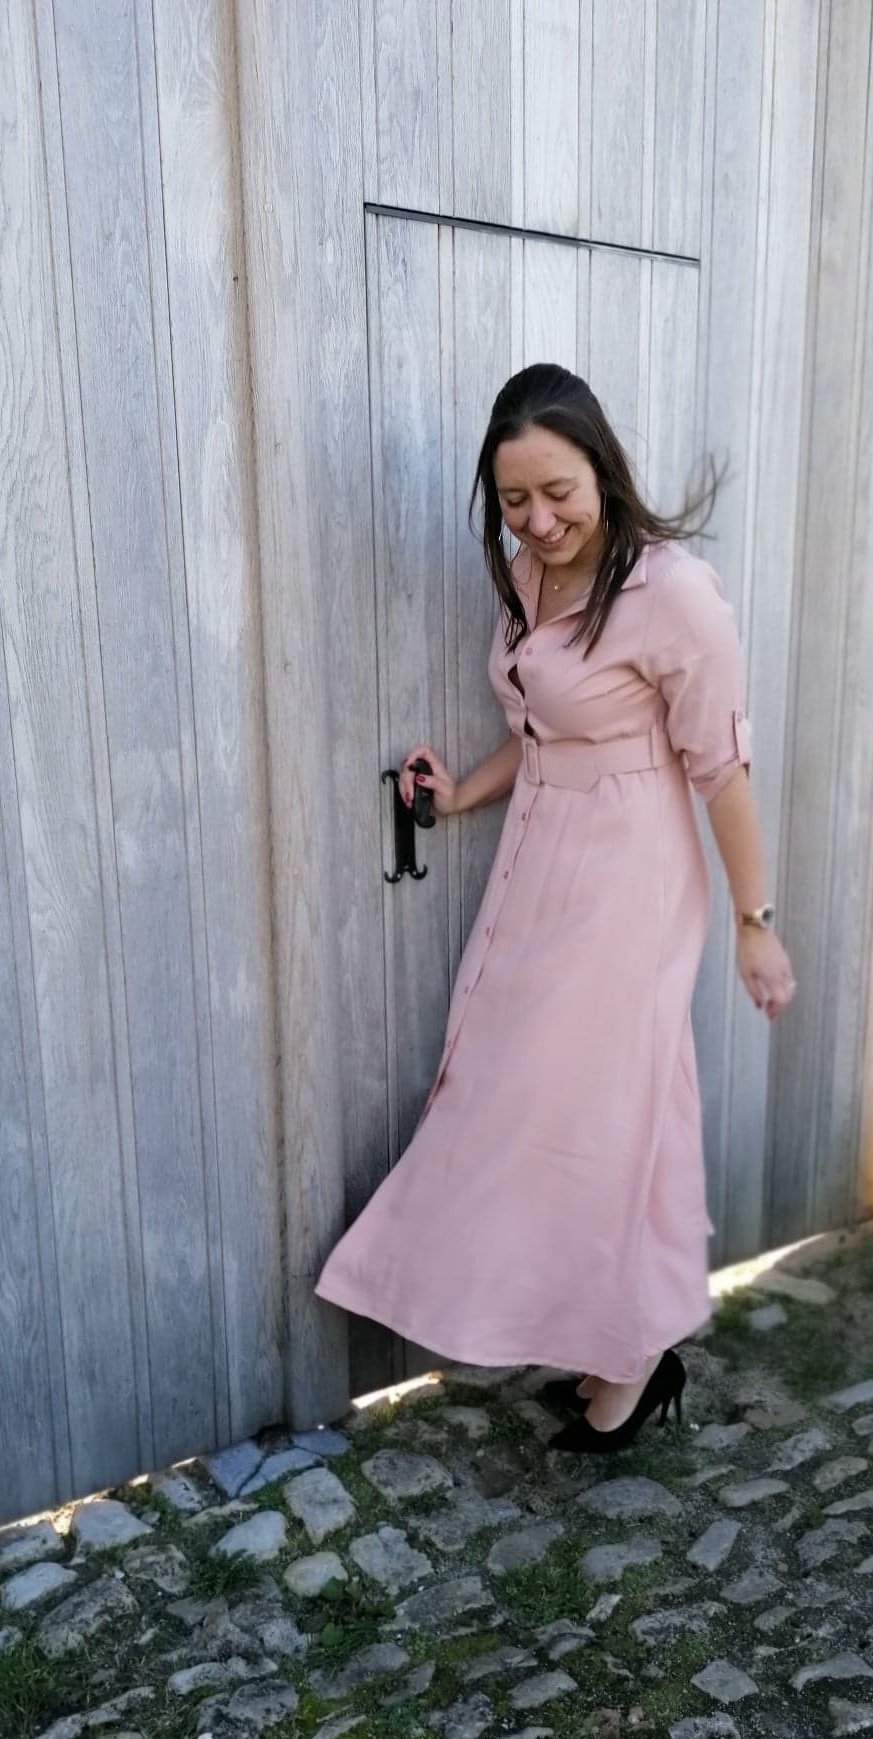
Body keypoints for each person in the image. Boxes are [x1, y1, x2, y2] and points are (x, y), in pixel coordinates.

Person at [315, 363, 795, 1452]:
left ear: (602, 470)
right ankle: (616, 1339)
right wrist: (458, 800)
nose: (538, 520)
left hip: (630, 879)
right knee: (536, 1101)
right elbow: (543, 734)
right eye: (514, 499)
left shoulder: (672, 594)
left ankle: (631, 1355)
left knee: (601, 1114)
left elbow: (722, 771)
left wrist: (756, 923)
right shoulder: (529, 577)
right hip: (538, 861)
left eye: (558, 492)